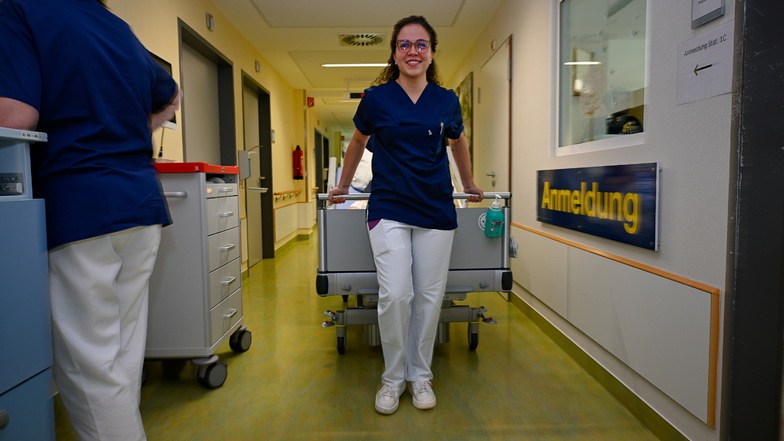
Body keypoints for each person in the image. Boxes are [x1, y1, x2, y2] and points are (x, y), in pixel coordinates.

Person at [0, 0, 180, 439]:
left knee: (90, 368)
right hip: (139, 205)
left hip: (80, 209)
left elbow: (14, 117)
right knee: (119, 358)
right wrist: (137, 130)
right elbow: (171, 95)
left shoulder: (19, 10)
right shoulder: (115, 25)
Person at [328, 15, 483, 415]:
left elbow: (459, 143)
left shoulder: (446, 99)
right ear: (394, 53)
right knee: (397, 294)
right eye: (404, 45)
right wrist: (344, 187)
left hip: (435, 207)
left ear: (431, 52)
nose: (413, 51)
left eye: (421, 45)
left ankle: (420, 375)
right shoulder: (377, 98)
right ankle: (393, 378)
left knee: (430, 298)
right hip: (390, 205)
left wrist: (468, 183)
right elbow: (357, 144)